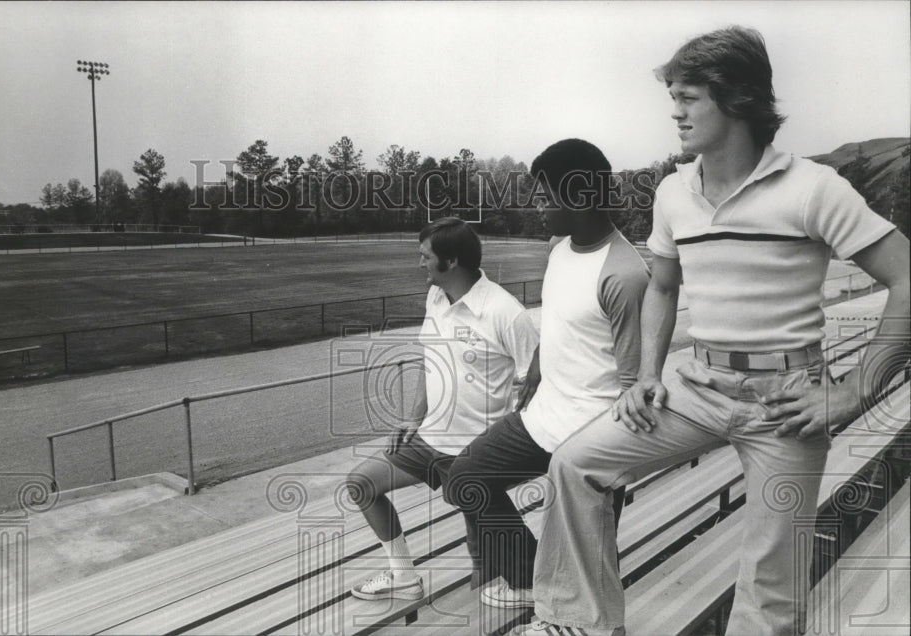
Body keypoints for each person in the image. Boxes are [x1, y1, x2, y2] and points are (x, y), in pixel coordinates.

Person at [522, 26, 910, 636]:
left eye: (689, 97)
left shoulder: (813, 189)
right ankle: (583, 623)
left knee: (771, 590)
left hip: (784, 401)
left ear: (739, 98)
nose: (675, 112)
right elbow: (663, 285)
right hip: (698, 386)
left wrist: (855, 390)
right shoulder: (673, 192)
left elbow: (907, 278)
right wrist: (647, 373)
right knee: (575, 465)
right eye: (672, 96)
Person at [444, 139, 649, 609]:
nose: (536, 206)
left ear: (576, 198)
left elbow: (635, 382)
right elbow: (559, 317)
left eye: (543, 196)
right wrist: (536, 366)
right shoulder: (558, 248)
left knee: (591, 570)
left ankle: (575, 603)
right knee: (464, 479)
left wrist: (613, 464)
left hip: (591, 437)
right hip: (543, 417)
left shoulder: (625, 274)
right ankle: (531, 577)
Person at [345, 216, 539, 601]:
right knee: (361, 484)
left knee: (485, 570)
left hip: (475, 451)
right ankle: (403, 577)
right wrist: (413, 417)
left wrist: (510, 440)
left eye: (425, 257)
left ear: (450, 262)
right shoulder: (436, 297)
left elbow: (539, 378)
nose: (420, 264)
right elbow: (427, 358)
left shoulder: (506, 312)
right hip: (428, 439)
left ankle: (531, 585)